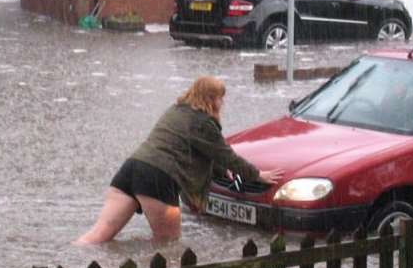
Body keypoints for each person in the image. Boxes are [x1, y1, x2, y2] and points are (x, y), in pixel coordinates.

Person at [75, 76, 283, 244]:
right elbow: (226, 155)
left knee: (97, 237)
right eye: (220, 98)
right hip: (157, 177)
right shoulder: (203, 122)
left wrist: (220, 170)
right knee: (169, 246)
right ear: (211, 99)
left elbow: (199, 149)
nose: (222, 103)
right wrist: (257, 175)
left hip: (130, 169)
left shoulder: (176, 110)